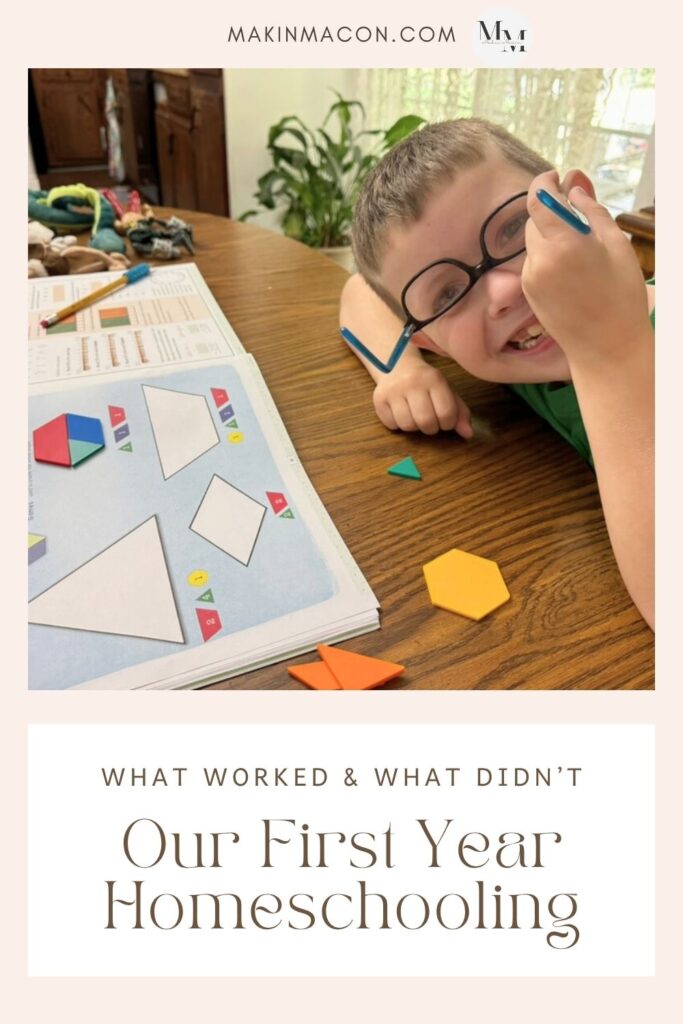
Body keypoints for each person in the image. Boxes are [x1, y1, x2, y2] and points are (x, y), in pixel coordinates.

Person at [340, 118, 654, 628]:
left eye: (511, 229)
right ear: (426, 336)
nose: (504, 292)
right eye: (446, 292)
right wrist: (400, 371)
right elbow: (359, 291)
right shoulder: (516, 349)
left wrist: (611, 350)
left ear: (577, 203)